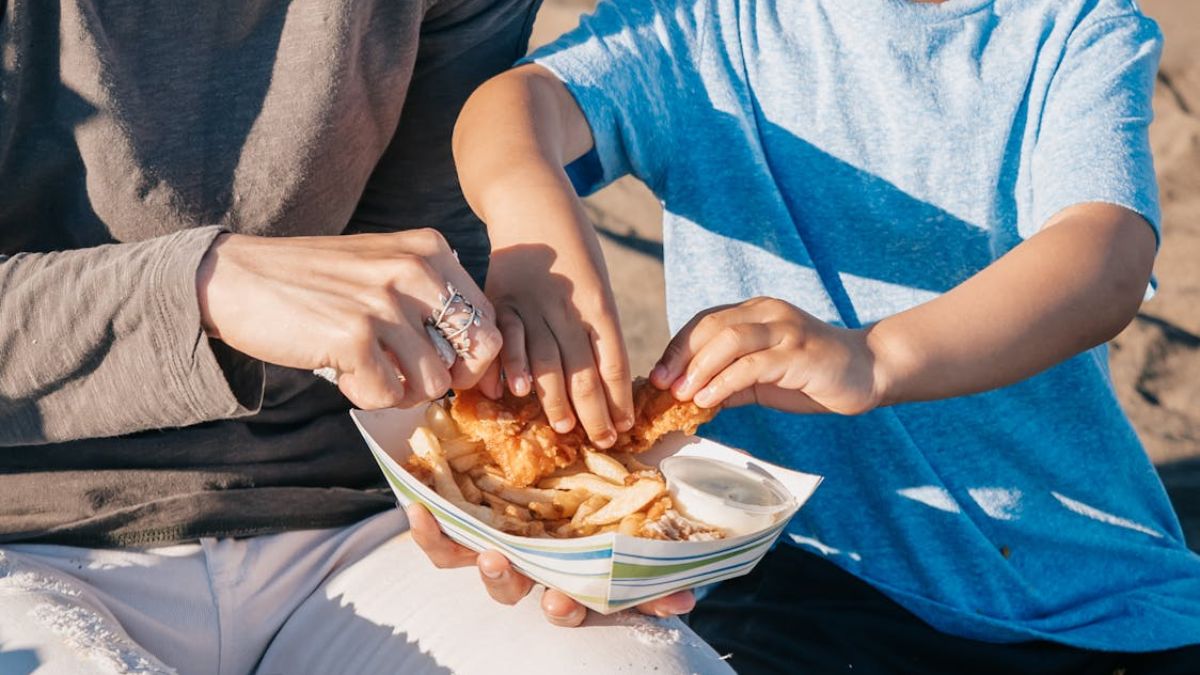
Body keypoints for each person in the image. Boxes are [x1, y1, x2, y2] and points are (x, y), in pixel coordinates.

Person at [437, 0, 1200, 671]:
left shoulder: (1077, 26)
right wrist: (530, 213)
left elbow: (1106, 256)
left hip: (1092, 590)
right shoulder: (705, 23)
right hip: (799, 577)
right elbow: (517, 104)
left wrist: (874, 356)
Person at [0, 1, 732, 673]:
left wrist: (521, 516)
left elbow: (433, 287)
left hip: (365, 524)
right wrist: (204, 288)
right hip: (28, 539)